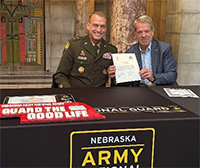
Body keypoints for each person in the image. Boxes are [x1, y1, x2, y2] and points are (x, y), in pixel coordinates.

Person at [108, 15, 178, 86]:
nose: (143, 35)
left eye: (147, 31)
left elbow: (172, 75)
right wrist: (116, 76)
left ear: (152, 32)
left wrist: (153, 77)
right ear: (135, 34)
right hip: (139, 90)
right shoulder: (130, 53)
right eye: (140, 32)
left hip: (159, 88)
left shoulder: (164, 49)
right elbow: (127, 81)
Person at [53, 11, 117, 88]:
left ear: (106, 28)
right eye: (95, 25)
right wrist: (69, 93)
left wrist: (114, 76)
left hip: (99, 96)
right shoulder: (74, 45)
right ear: (88, 26)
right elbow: (60, 75)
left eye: (102, 26)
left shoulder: (111, 50)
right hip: (76, 94)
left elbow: (115, 80)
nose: (99, 30)